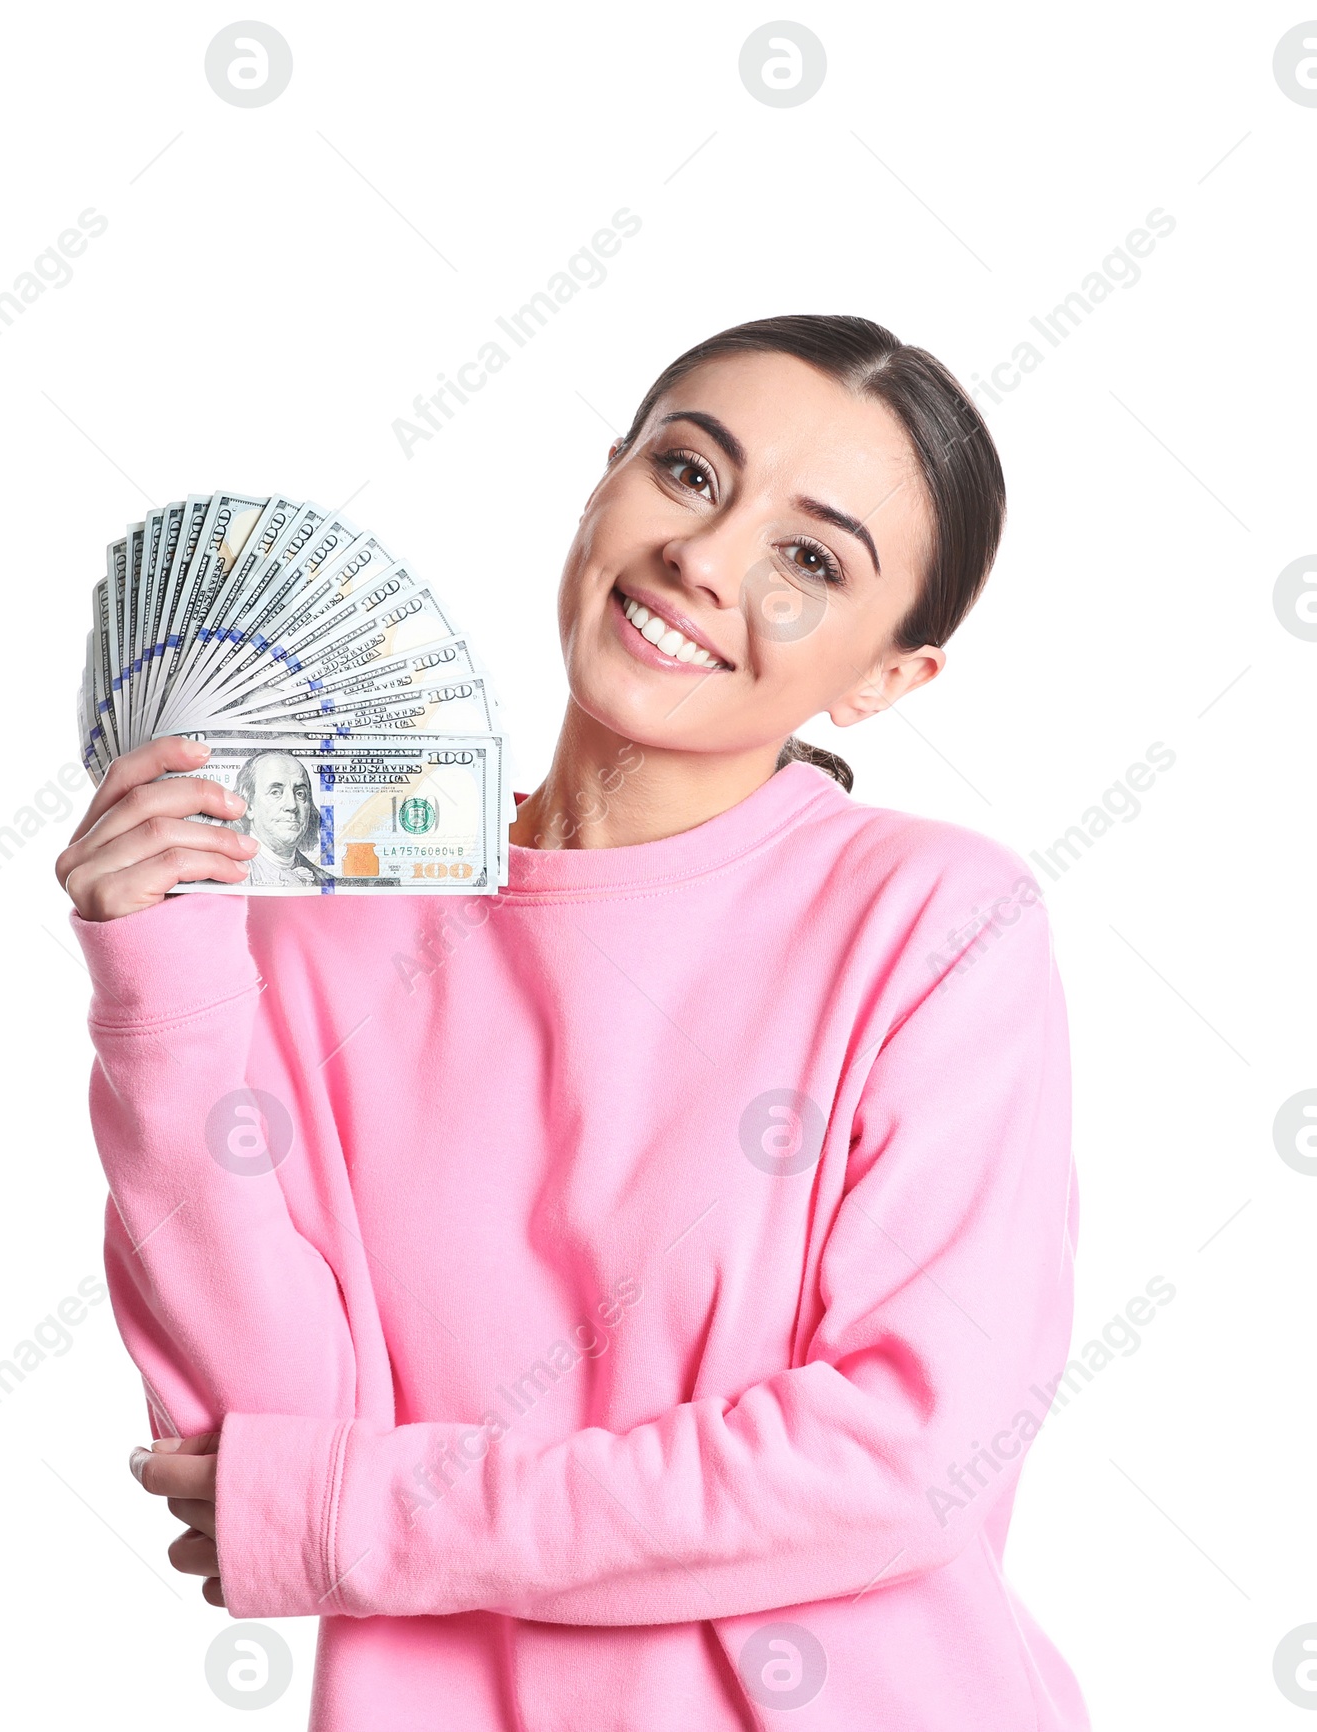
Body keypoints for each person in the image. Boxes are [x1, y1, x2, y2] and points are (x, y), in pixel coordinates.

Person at [55, 314, 1088, 1730]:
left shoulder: (932, 921)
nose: (707, 560)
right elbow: (268, 1439)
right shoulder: (330, 916)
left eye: (811, 559)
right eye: (688, 473)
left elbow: (900, 1459)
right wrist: (158, 981)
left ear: (885, 678)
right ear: (605, 484)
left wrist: (364, 1512)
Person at [230, 748, 334, 887]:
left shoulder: (325, 881)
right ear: (248, 806)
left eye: (300, 794)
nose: (292, 806)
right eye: (275, 792)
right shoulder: (228, 873)